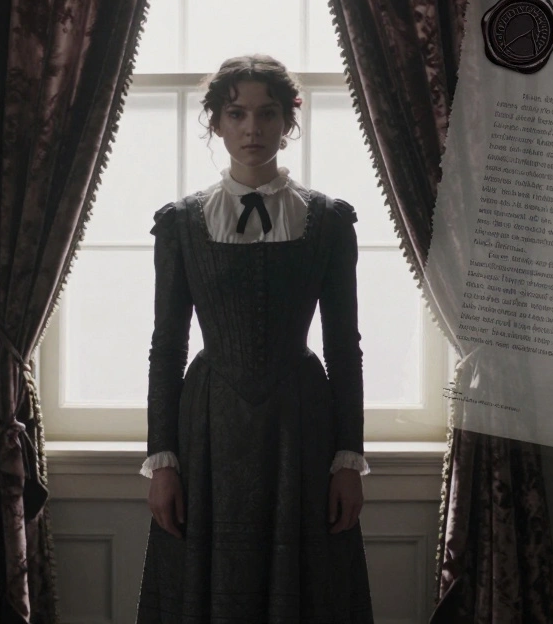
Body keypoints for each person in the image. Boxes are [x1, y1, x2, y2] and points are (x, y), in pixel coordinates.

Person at [135, 54, 375, 623]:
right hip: (208, 428)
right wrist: (162, 462)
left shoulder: (329, 221)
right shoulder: (180, 223)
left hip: (303, 424)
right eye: (237, 113)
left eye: (267, 114)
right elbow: (166, 346)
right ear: (216, 122)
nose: (252, 129)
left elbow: (345, 346)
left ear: (289, 122)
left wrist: (348, 461)